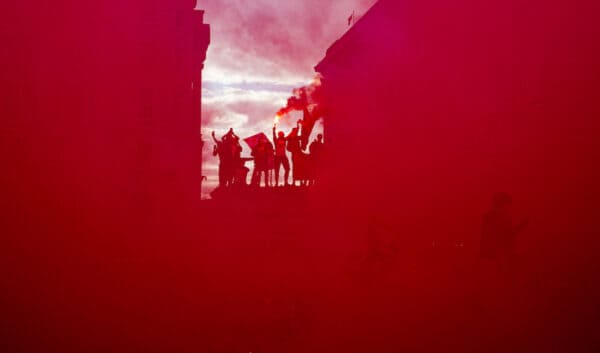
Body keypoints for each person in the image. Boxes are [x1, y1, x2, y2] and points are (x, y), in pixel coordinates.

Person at [481, 192, 529, 260]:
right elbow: (504, 236)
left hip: (499, 256)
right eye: (507, 205)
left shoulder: (490, 217)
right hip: (497, 257)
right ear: (502, 205)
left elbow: (507, 235)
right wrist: (522, 225)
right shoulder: (493, 218)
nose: (509, 208)